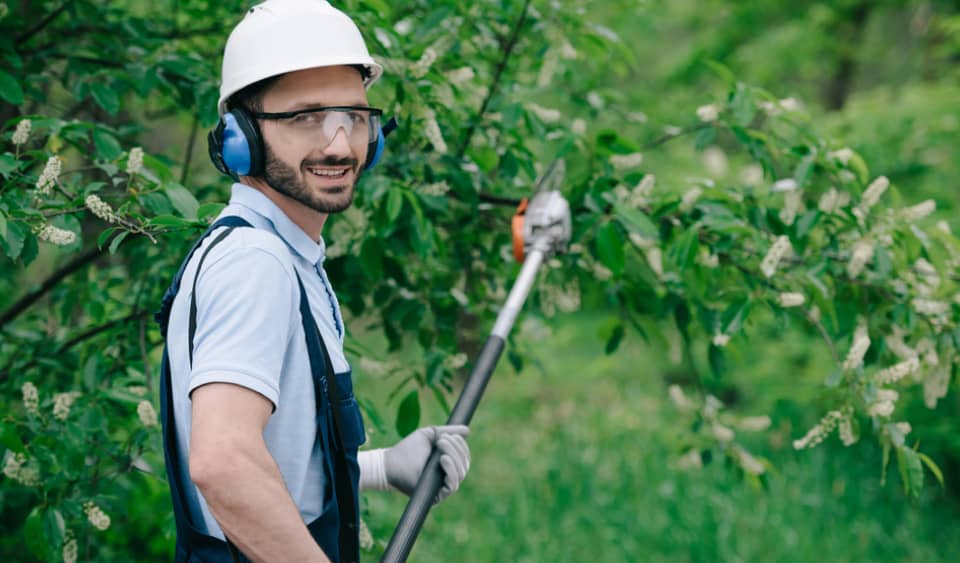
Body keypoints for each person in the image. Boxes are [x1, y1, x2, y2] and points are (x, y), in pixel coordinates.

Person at [154, 1, 471, 561]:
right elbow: (222, 462)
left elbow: (276, 458)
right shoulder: (257, 263)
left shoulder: (279, 253)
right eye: (305, 117)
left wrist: (378, 466)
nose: (338, 145)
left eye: (352, 117)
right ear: (240, 137)